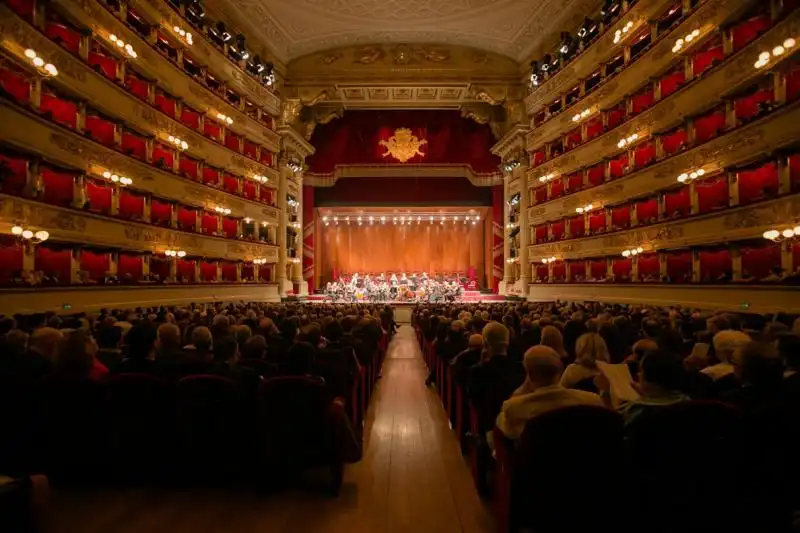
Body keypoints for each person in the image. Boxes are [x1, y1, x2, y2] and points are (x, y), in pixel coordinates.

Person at [495, 345, 603, 441]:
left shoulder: (514, 409)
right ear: (559, 371)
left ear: (530, 376)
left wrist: (520, 392)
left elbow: (500, 434)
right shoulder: (593, 401)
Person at [597, 348, 689, 428]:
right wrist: (647, 395)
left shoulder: (639, 411)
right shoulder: (688, 403)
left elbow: (612, 425)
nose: (638, 374)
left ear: (652, 383)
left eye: (641, 371)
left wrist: (605, 395)